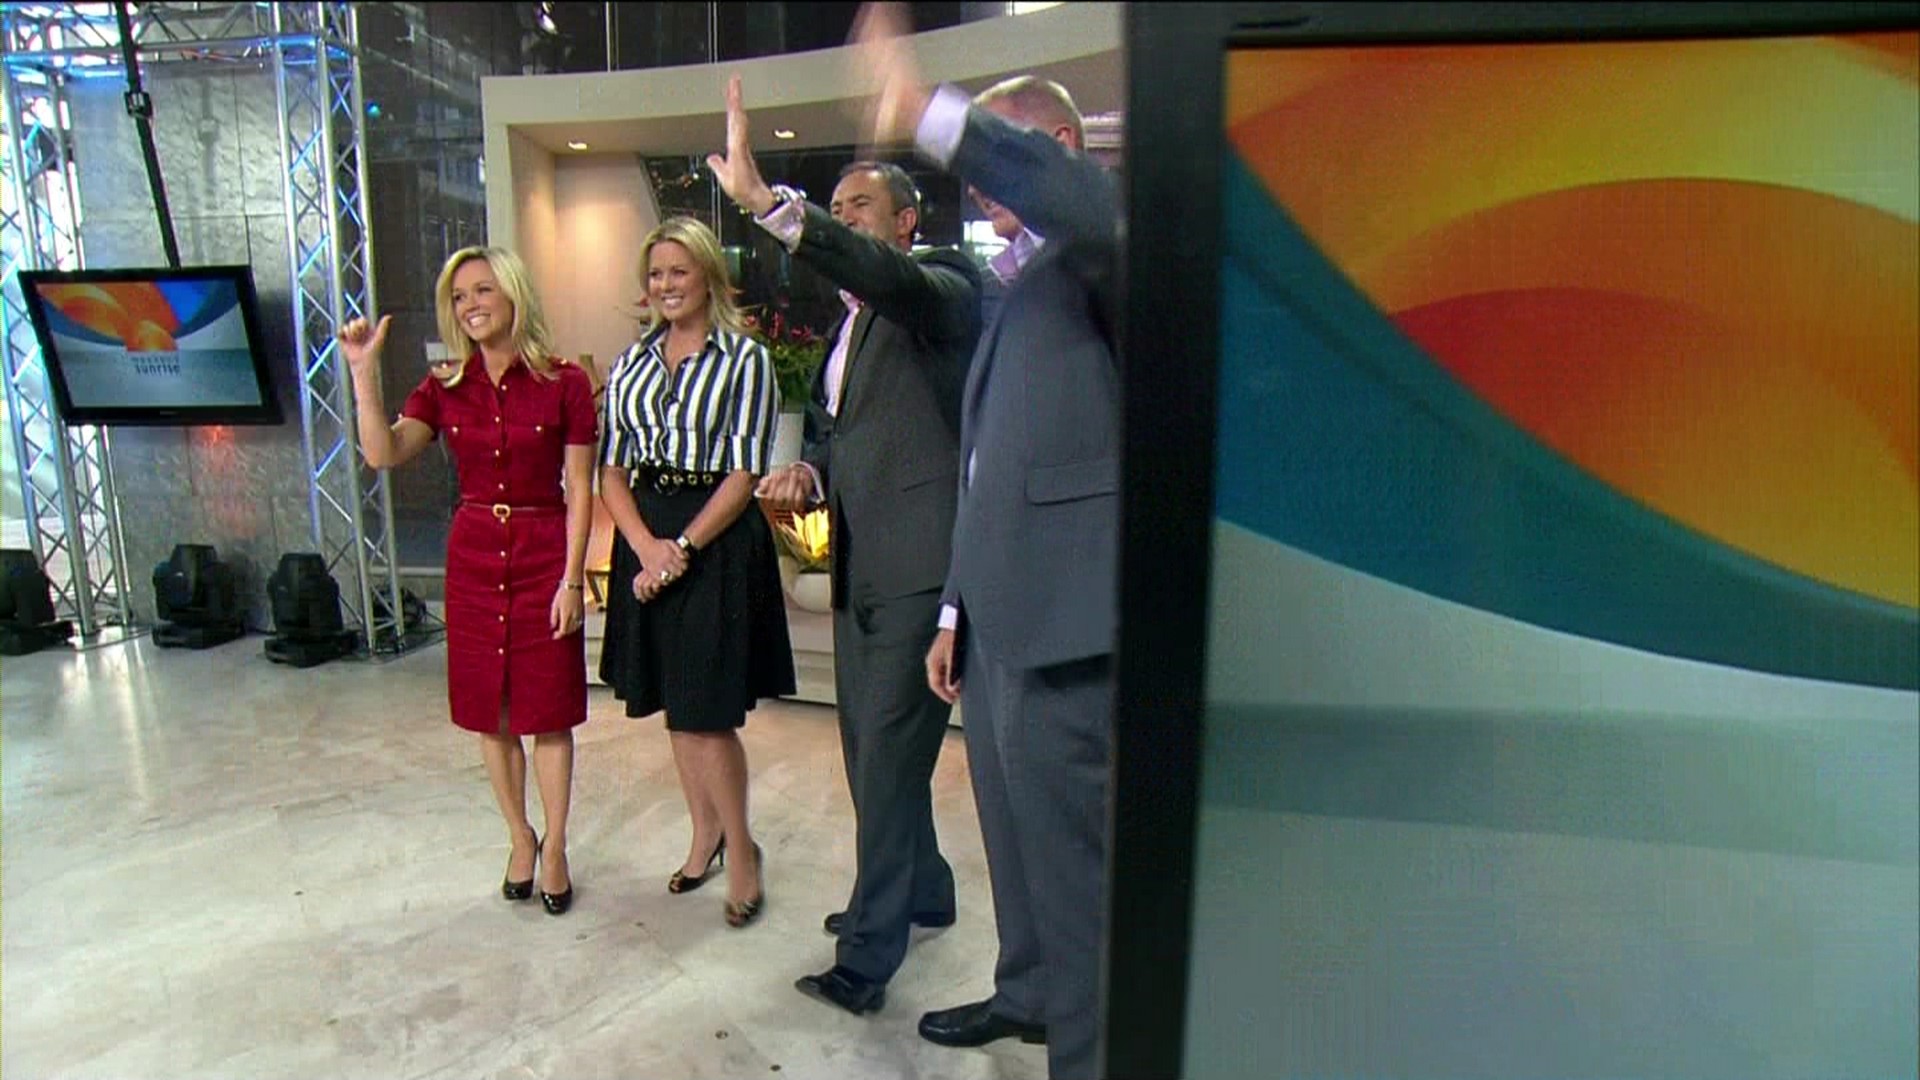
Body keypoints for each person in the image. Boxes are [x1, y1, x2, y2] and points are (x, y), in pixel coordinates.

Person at [854, 6, 1123, 1078]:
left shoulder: (1107, 244)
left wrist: (934, 113)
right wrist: (955, 609)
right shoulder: (1014, 286)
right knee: (1014, 841)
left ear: (1054, 147)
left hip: (1072, 625)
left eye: (999, 157)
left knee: (1076, 874)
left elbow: (1082, 198)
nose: (980, 190)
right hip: (1001, 619)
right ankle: (1029, 995)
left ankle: (1087, 1054)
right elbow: (986, 468)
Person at [705, 75, 982, 1015]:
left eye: (858, 206)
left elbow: (892, 279)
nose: (843, 216)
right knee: (871, 750)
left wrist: (773, 208)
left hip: (921, 573)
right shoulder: (850, 329)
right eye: (834, 204)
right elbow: (843, 434)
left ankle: (867, 959)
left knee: (887, 761)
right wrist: (809, 471)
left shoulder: (943, 286)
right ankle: (925, 889)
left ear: (906, 222)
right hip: (862, 567)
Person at [339, 245, 597, 917]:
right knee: (494, 712)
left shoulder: (565, 382)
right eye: (458, 297)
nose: (470, 305)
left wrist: (573, 580)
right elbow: (383, 451)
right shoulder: (445, 386)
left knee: (549, 711)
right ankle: (519, 837)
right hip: (476, 555)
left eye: (482, 290)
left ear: (513, 294)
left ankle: (557, 846)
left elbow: (579, 486)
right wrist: (363, 376)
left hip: (543, 549)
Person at [597, 215, 795, 929]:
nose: (666, 285)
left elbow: (744, 474)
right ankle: (705, 834)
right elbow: (611, 470)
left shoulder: (747, 360)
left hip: (714, 537)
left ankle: (742, 852)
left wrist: (678, 548)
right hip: (644, 530)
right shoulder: (630, 362)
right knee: (675, 706)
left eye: (679, 271)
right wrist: (644, 545)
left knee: (706, 712)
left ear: (709, 277)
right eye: (655, 274)